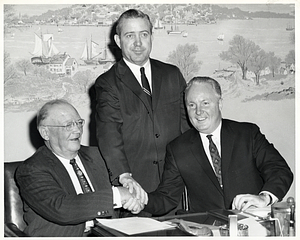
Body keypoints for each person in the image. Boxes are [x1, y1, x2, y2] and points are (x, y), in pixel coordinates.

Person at [141, 76, 293, 216]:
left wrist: (264, 198)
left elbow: (280, 171)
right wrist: (140, 199)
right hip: (208, 230)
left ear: (220, 103)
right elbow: (166, 199)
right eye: (191, 105)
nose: (198, 112)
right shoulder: (178, 149)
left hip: (252, 223)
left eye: (205, 103)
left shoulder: (247, 134)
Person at [94, 8, 190, 209]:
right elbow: (109, 133)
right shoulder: (107, 83)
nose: (138, 43)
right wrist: (124, 177)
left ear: (151, 37)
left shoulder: (172, 74)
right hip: (135, 189)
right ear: (119, 41)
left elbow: (187, 127)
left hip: (178, 186)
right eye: (130, 35)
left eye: (143, 34)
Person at [16, 99, 144, 237]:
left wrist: (132, 204)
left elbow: (117, 205)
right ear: (45, 132)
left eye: (79, 123)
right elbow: (61, 208)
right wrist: (117, 195)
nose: (77, 130)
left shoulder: (100, 156)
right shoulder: (31, 169)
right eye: (68, 125)